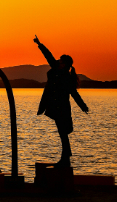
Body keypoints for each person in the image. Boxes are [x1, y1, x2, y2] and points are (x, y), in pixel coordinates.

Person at [34, 35, 89, 168]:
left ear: (65, 65)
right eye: (58, 60)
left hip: (62, 108)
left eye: (61, 61)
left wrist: (83, 106)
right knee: (62, 133)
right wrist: (40, 44)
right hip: (54, 106)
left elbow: (74, 93)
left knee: (63, 132)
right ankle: (66, 157)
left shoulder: (66, 77)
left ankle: (66, 158)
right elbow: (48, 55)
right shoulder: (55, 69)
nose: (58, 62)